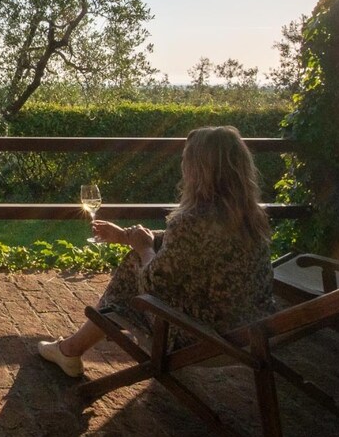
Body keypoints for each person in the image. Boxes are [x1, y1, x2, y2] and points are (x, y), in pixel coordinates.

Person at [38, 125, 275, 377]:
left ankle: (70, 349)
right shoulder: (251, 215)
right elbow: (191, 246)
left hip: (203, 336)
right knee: (139, 256)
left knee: (134, 268)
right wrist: (126, 236)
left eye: (185, 161)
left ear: (198, 170)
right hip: (252, 327)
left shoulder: (193, 220)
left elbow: (152, 283)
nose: (182, 168)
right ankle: (71, 349)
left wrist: (142, 247)